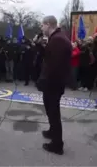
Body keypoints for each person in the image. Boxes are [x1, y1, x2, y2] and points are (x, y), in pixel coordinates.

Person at [36, 15, 72, 155]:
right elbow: (48, 56)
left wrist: (43, 80)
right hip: (54, 82)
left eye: (42, 25)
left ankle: (57, 144)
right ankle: (52, 132)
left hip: (54, 83)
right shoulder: (57, 38)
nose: (41, 28)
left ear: (48, 24)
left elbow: (53, 65)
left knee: (53, 111)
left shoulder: (58, 39)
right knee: (50, 109)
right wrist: (39, 46)